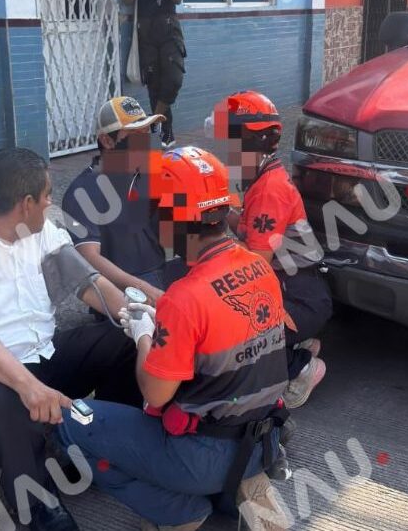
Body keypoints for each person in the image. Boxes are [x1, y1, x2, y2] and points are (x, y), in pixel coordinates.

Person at [56, 146, 292, 531]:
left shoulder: (185, 297)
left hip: (203, 457)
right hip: (260, 439)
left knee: (70, 421)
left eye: (157, 213)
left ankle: (185, 515)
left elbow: (155, 394)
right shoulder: (257, 266)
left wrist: (143, 333)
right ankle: (232, 486)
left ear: (175, 219)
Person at [0, 148, 144, 531]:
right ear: (26, 204)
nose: (50, 202)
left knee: (121, 340)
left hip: (41, 357)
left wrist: (139, 319)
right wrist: (29, 388)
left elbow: (87, 285)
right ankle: (40, 508)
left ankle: (99, 446)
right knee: (8, 398)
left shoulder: (40, 233)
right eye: (47, 196)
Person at [208, 91, 332, 409]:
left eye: (231, 146)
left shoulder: (269, 190)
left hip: (298, 296)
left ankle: (300, 365)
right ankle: (296, 339)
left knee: (229, 333)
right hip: (295, 291)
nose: (227, 155)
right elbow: (248, 230)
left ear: (252, 144)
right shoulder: (264, 178)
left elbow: (254, 268)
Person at [61, 97, 170, 305]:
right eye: (135, 135)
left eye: (147, 131)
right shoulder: (82, 191)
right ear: (107, 141)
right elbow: (88, 258)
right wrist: (145, 290)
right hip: (123, 289)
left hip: (161, 270)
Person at [122, 0, 185, 149]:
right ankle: (166, 129)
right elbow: (127, 0)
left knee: (174, 79)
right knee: (154, 83)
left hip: (169, 32)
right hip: (146, 33)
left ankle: (154, 120)